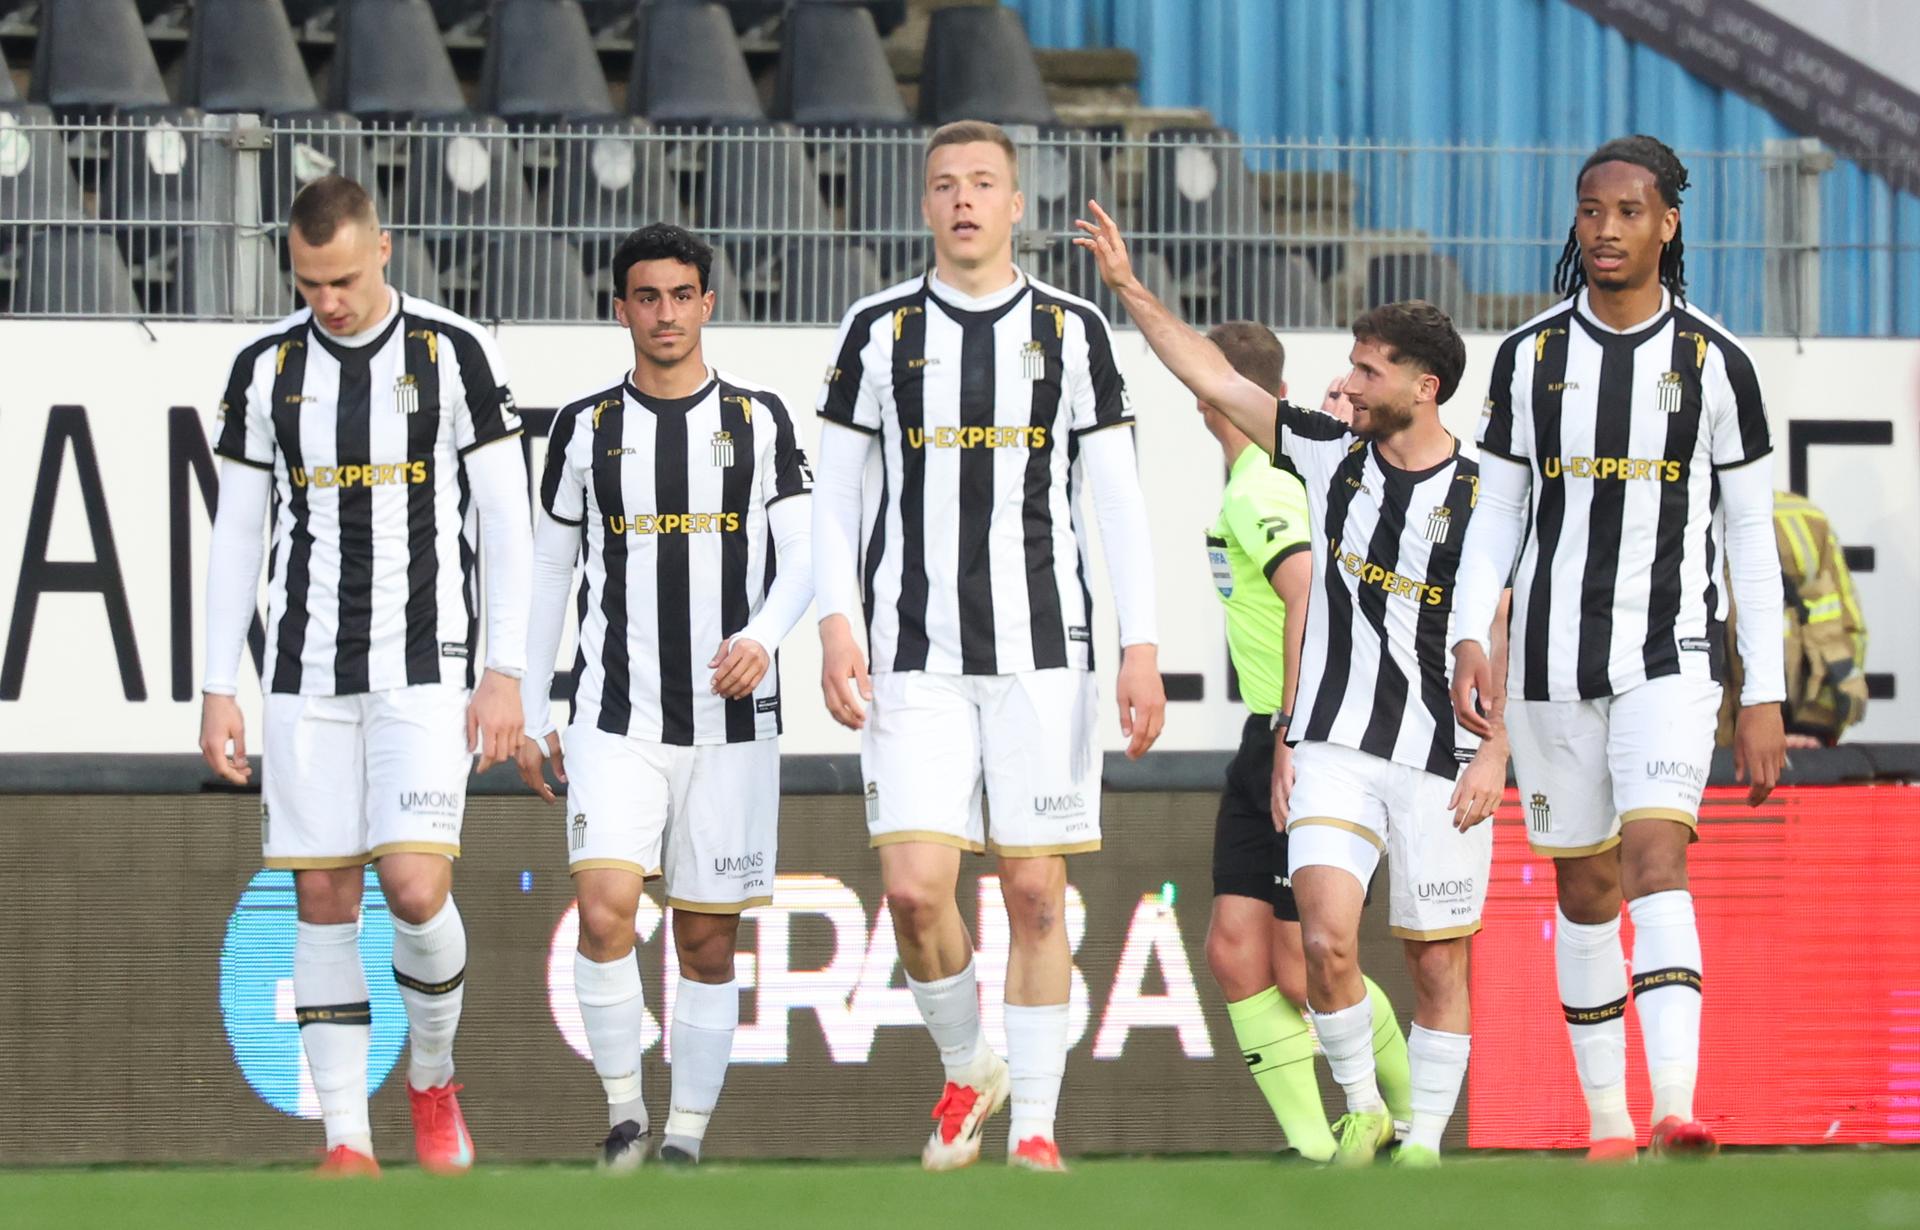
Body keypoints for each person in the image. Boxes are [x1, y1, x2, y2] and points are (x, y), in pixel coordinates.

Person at [1077, 202, 1506, 1169]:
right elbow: (1212, 373)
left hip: (1440, 754)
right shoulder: (1321, 452)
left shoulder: (1484, 491)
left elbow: (1498, 624)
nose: (1347, 380)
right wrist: (1130, 288)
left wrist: (1498, 749)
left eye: (1369, 369)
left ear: (1423, 386)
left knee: (1438, 958)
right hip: (1333, 747)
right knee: (1320, 943)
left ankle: (1426, 1146)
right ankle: (1359, 1115)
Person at [812, 120, 1165, 1173]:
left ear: (1017, 206)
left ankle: (1041, 1133)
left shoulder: (1071, 331)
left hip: (1041, 658)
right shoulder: (876, 331)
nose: (963, 200)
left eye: (983, 185)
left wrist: (1138, 647)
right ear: (926, 207)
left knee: (1034, 893)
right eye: (944, 186)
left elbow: (1118, 504)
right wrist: (836, 621)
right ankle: (972, 1063)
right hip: (911, 654)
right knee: (917, 893)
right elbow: (833, 501)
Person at [1446, 135, 1788, 1160]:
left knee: (1655, 855)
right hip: (1550, 667)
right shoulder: (1530, 357)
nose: (1604, 229)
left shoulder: (1718, 364)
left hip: (1671, 657)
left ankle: (1679, 1101)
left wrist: (1759, 689)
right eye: (1591, 212)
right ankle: (1609, 1122)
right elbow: (1497, 514)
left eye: (1628, 212)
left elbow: (1749, 540)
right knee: (1584, 887)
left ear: (1667, 224)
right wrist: (1472, 633)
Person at [199, 175, 530, 1175]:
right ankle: (348, 1140)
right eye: (308, 284)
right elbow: (239, 533)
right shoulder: (264, 370)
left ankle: (432, 1076)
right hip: (305, 675)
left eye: (341, 278)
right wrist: (221, 683)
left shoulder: (455, 352)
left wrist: (505, 670)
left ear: (383, 249)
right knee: (324, 899)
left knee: (417, 886)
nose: (327, 300)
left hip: (424, 671)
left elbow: (505, 522)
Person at [515, 223, 813, 1170]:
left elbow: (806, 555)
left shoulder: (761, 421)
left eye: (682, 295)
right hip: (614, 714)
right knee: (605, 908)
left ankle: (685, 1135)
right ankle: (625, 1119)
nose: (666, 314)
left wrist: (763, 638)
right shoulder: (583, 426)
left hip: (731, 725)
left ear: (707, 304)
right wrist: (531, 707)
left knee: (707, 945)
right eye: (648, 297)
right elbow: (550, 568)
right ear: (621, 310)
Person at [1198, 323, 1412, 1163]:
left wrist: (1292, 726)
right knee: (1231, 949)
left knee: (1299, 969)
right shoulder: (1249, 479)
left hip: (1296, 733)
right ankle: (1319, 1152)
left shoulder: (1264, 489)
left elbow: (1305, 593)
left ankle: (1414, 1119)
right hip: (1264, 736)